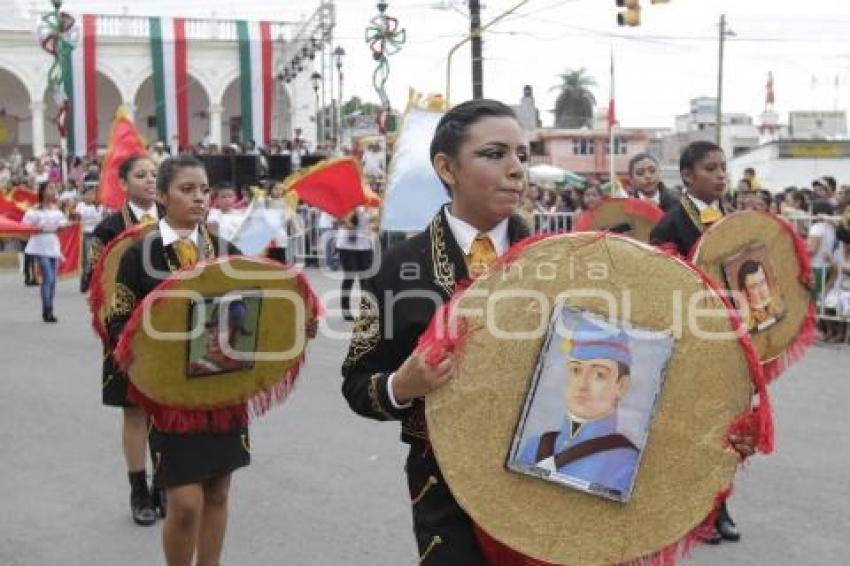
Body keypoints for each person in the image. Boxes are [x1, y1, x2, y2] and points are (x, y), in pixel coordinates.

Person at [341, 99, 531, 564]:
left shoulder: (565, 258)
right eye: (494, 154)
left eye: (522, 155)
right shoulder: (397, 269)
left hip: (545, 478)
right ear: (447, 168)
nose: (515, 170)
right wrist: (403, 385)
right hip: (446, 485)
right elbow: (357, 382)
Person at [107, 155, 247, 566]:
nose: (199, 198)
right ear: (163, 195)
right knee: (185, 502)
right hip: (170, 396)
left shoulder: (225, 251)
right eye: (187, 190)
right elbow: (118, 320)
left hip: (223, 386)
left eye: (203, 190)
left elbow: (264, 302)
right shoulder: (139, 254)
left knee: (218, 490)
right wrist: (146, 348)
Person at [650, 140, 755, 544]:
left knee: (728, 430)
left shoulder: (734, 222)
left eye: (723, 167)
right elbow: (664, 285)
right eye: (711, 168)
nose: (721, 174)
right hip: (692, 343)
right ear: (688, 176)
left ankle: (721, 506)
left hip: (733, 343)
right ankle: (697, 514)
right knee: (693, 430)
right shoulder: (671, 224)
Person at [89, 154, 165, 526]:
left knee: (167, 408)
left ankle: (166, 483)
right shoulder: (107, 229)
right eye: (141, 175)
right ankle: (139, 489)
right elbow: (94, 283)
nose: (150, 180)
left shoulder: (173, 222)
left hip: (170, 331)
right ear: (124, 182)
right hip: (125, 332)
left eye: (154, 174)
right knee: (134, 411)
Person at [518, 317, 639, 496]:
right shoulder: (534, 446)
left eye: (599, 374)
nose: (582, 385)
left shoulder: (627, 462)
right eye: (575, 370)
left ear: (621, 386)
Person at [22, 181, 68, 322]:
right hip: (40, 244)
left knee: (53, 279)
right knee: (48, 277)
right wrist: (39, 227)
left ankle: (49, 309)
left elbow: (63, 225)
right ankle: (46, 310)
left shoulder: (56, 210)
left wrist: (62, 226)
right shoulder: (34, 210)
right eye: (50, 188)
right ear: (42, 192)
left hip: (53, 244)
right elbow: (25, 226)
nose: (53, 191)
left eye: (54, 188)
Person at [336, 206, 375, 321]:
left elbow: (376, 226)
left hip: (365, 245)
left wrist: (374, 222)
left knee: (366, 279)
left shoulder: (372, 205)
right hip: (347, 245)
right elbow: (341, 222)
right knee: (350, 277)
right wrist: (350, 222)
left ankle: (366, 310)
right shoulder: (347, 204)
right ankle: (346, 310)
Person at [737, 260, 784, 332]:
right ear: (745, 293)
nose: (761, 290)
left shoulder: (779, 303)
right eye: (753, 287)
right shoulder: (747, 319)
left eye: (762, 282)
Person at [75, 186, 104, 292]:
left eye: (92, 194)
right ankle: (85, 282)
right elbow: (76, 219)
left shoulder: (100, 207)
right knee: (87, 260)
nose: (90, 196)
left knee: (98, 259)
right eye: (87, 194)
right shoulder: (80, 206)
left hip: (98, 235)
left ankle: (95, 283)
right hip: (85, 235)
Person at [808, 199, 837, 306]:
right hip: (826, 266)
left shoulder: (816, 228)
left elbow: (811, 250)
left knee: (811, 301)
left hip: (816, 267)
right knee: (817, 300)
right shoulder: (831, 228)